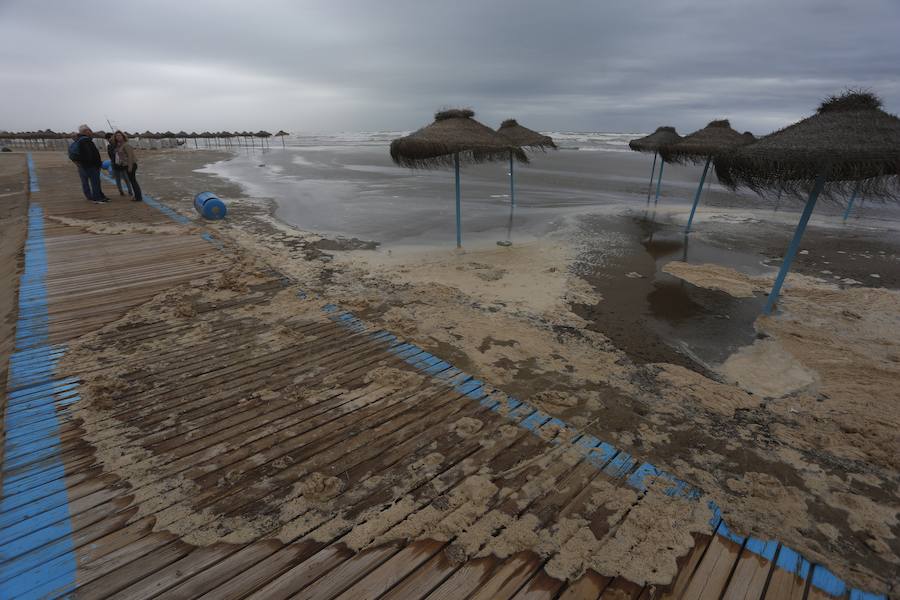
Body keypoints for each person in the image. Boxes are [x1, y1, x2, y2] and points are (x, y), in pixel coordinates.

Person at [72, 125, 108, 203]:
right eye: (90, 131)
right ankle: (97, 198)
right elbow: (89, 155)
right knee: (95, 182)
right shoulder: (85, 140)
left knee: (91, 182)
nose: (91, 132)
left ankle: (96, 196)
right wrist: (95, 163)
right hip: (91, 166)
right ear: (85, 132)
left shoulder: (80, 140)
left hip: (86, 165)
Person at [114, 131, 142, 202]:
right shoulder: (120, 145)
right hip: (126, 165)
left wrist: (130, 167)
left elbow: (130, 156)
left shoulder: (126, 145)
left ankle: (138, 197)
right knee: (132, 181)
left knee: (133, 181)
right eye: (116, 136)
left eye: (119, 135)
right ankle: (137, 196)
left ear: (123, 137)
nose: (118, 137)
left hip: (131, 165)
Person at [105, 132, 132, 197]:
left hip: (115, 164)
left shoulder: (110, 146)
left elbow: (111, 156)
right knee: (125, 178)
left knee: (119, 179)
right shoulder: (116, 145)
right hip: (119, 164)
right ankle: (129, 191)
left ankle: (123, 191)